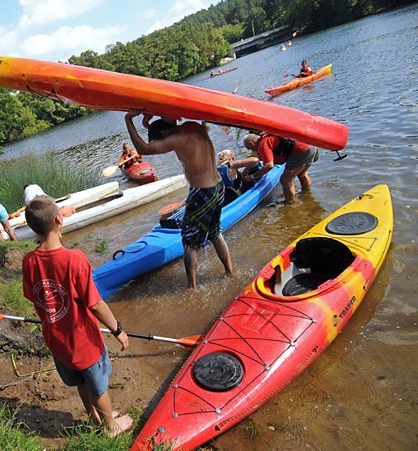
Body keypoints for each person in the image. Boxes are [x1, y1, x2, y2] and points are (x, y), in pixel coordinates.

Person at [21, 195, 133, 437]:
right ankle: (110, 428)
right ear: (59, 219)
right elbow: (95, 304)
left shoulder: (29, 261)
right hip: (83, 340)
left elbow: (33, 297)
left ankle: (95, 419)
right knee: (98, 385)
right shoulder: (75, 259)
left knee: (80, 381)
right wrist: (118, 330)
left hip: (56, 338)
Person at [124, 111, 233, 289]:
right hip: (218, 187)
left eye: (159, 141)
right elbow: (168, 127)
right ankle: (230, 272)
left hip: (202, 192)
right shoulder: (193, 127)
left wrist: (128, 120)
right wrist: (148, 125)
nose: (160, 145)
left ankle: (192, 288)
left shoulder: (175, 140)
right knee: (214, 232)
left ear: (165, 135)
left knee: (188, 241)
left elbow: (143, 149)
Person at [243, 133, 319, 204]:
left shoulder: (263, 144)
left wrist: (252, 177)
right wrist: (246, 169)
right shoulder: (266, 135)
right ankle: (307, 195)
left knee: (285, 179)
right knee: (301, 174)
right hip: (310, 145)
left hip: (301, 151)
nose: (253, 151)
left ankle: (290, 203)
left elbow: (269, 165)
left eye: (250, 148)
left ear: (251, 143)